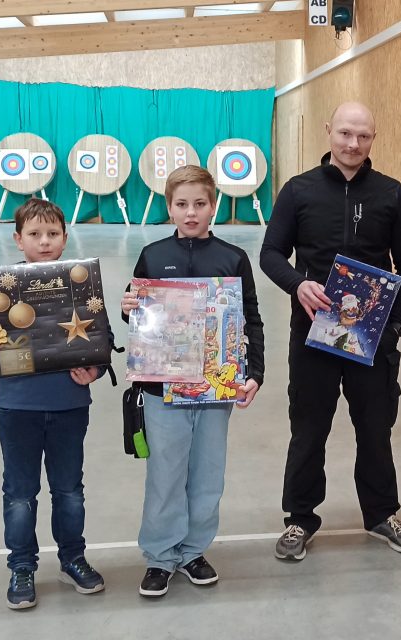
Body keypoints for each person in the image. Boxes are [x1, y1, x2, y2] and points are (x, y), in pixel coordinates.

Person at [260, 102, 401, 560]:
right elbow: (271, 253)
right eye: (346, 133)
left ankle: (381, 513)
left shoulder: (391, 193)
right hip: (313, 333)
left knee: (375, 428)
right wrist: (298, 284)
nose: (353, 144)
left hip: (372, 337)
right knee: (308, 429)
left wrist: (395, 325)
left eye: (363, 136)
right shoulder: (298, 190)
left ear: (373, 138)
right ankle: (300, 518)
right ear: (329, 130)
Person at [121, 165, 264, 597]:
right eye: (181, 204)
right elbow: (138, 318)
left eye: (200, 204)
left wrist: (254, 373)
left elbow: (251, 318)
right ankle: (160, 556)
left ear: (213, 206)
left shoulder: (232, 258)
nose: (191, 213)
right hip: (161, 388)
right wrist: (130, 308)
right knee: (165, 472)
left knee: (208, 474)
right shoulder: (152, 254)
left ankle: (193, 552)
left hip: (216, 387)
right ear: (169, 207)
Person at [0, 199, 106, 609]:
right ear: (19, 239)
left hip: (69, 405)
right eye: (34, 234)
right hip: (17, 407)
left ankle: (72, 559)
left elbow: (100, 341)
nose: (44, 241)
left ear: (65, 238)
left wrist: (96, 371)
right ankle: (21, 566)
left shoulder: (82, 286)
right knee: (20, 493)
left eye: (52, 234)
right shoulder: (3, 289)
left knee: (69, 490)